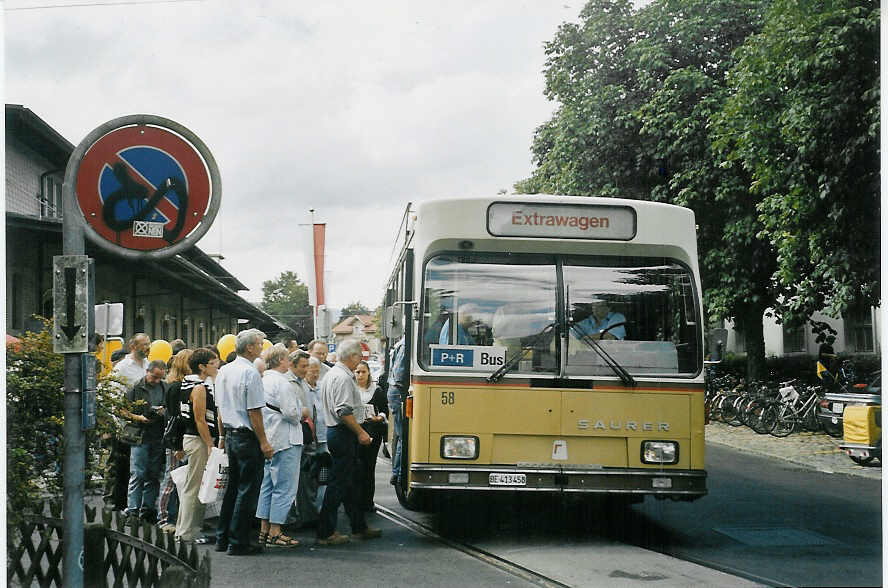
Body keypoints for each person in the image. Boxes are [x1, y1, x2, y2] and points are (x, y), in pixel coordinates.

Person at [213, 328, 274, 556]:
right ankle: (238, 541)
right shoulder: (250, 373)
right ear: (249, 347)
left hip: (230, 433)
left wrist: (221, 436)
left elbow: (220, 408)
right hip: (246, 436)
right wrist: (264, 442)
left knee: (232, 489)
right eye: (259, 344)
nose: (261, 347)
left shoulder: (224, 371)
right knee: (247, 490)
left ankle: (223, 537)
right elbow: (254, 412)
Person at [316, 338, 381, 545]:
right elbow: (343, 410)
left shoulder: (332, 374)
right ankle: (326, 532)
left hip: (336, 432)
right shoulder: (343, 378)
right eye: (360, 357)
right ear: (352, 356)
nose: (360, 361)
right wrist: (361, 432)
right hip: (343, 433)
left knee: (350, 482)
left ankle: (358, 526)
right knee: (338, 484)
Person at [256, 344, 306, 547]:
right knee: (285, 485)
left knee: (267, 484)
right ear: (280, 361)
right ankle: (276, 531)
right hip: (287, 438)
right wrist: (301, 412)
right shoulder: (283, 383)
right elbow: (291, 413)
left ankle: (264, 529)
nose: (289, 362)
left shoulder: (262, 380)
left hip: (269, 437)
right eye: (286, 358)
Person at [175, 347, 220, 544]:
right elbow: (200, 419)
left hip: (191, 438)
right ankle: (187, 532)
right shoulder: (199, 388)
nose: (216, 365)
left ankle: (187, 530)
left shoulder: (187, 383)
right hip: (198, 439)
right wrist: (210, 444)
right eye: (212, 363)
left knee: (192, 486)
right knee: (194, 487)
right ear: (202, 367)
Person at [121, 359, 168, 524]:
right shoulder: (136, 387)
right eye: (154, 377)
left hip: (157, 436)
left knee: (153, 474)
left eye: (159, 378)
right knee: (138, 473)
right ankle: (133, 510)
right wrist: (138, 417)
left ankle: (147, 509)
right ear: (147, 371)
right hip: (140, 435)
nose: (156, 381)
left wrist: (163, 412)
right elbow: (121, 409)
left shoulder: (165, 387)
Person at [157, 349, 193, 534]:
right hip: (176, 441)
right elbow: (174, 419)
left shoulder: (181, 385)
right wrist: (177, 445)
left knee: (178, 478)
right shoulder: (175, 388)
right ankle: (164, 518)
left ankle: (173, 516)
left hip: (181, 439)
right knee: (171, 478)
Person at [354, 360, 388, 511]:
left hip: (373, 432)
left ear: (368, 374)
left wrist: (378, 418)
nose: (360, 375)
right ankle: (354, 500)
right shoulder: (350, 389)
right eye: (358, 372)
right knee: (356, 467)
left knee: (369, 467)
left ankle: (367, 502)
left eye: (363, 372)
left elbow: (384, 410)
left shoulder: (377, 390)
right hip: (354, 432)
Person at [387, 336, 407, 485]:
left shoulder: (402, 342)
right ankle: (399, 473)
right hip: (398, 392)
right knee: (403, 435)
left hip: (394, 390)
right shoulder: (407, 344)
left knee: (402, 435)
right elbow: (400, 375)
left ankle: (398, 472)